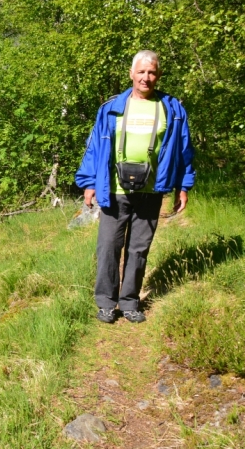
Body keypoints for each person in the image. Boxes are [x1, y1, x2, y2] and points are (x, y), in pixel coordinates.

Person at [75, 50, 195, 323]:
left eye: (152, 72)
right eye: (141, 72)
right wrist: (90, 182)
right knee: (108, 246)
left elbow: (184, 151)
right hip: (114, 190)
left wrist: (183, 186)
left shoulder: (172, 110)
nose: (146, 77)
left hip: (152, 190)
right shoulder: (110, 108)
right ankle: (106, 302)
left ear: (159, 75)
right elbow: (94, 148)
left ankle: (130, 302)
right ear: (131, 74)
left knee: (138, 249)